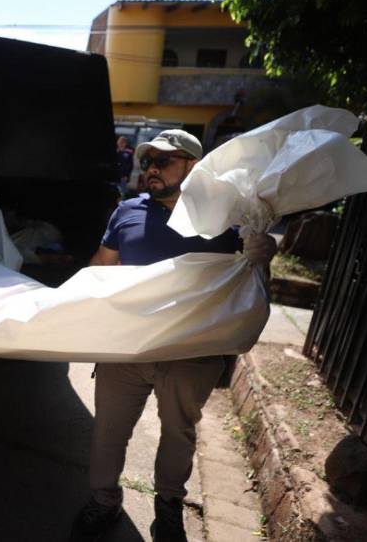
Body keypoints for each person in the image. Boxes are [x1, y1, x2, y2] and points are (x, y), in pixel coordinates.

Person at [71, 130, 276, 542]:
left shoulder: (225, 217)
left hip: (191, 353)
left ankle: (167, 507)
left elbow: (248, 286)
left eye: (164, 161)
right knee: (108, 430)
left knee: (177, 433)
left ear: (193, 167)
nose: (151, 169)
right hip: (127, 349)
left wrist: (261, 258)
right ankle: (104, 501)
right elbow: (100, 269)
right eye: (148, 162)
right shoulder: (126, 211)